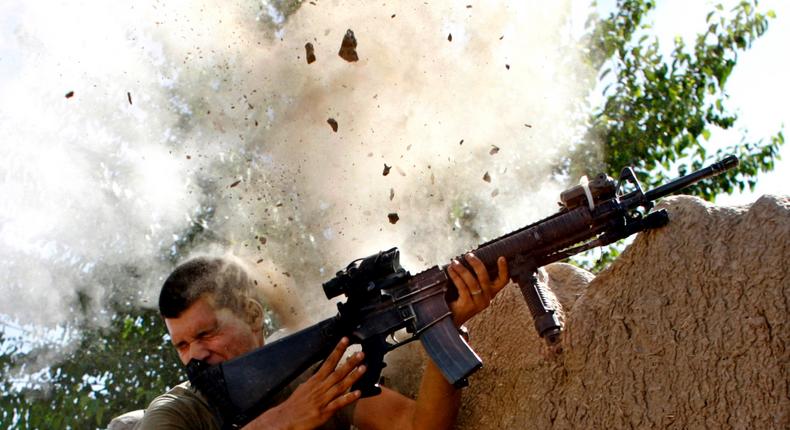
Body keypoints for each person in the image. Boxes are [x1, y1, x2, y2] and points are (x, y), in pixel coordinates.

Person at [133, 252, 509, 430]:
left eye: (205, 334)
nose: (195, 354)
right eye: (181, 345)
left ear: (252, 315)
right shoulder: (176, 413)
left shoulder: (314, 377)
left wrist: (446, 323)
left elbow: (419, 427)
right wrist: (284, 420)